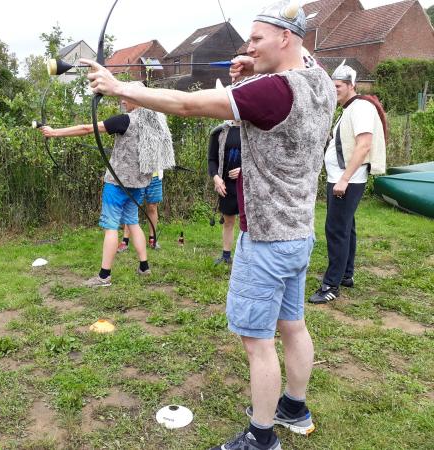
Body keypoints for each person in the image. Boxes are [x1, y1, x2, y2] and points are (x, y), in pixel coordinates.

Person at [81, 1, 336, 448]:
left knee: (257, 341)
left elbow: (185, 103)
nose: (249, 46)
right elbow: (295, 68)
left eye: (256, 39)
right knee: (292, 325)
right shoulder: (321, 81)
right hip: (299, 232)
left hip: (266, 238)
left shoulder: (273, 92)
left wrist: (122, 85)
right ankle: (294, 407)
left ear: (285, 38)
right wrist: (253, 64)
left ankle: (261, 438)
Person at [39, 88, 174, 288]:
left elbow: (88, 128)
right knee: (133, 222)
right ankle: (144, 267)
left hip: (117, 184)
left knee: (111, 226)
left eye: (126, 97)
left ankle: (104, 276)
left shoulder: (125, 120)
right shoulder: (154, 121)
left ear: (136, 98)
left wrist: (54, 132)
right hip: (138, 184)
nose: (122, 100)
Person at [309, 62, 387, 304]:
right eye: (332, 86)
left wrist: (343, 179)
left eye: (339, 86)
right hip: (341, 179)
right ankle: (346, 275)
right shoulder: (350, 108)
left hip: (347, 180)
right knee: (346, 228)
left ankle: (331, 285)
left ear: (352, 85)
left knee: (336, 230)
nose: (335, 90)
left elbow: (364, 145)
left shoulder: (361, 107)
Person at [208, 120, 242, 265]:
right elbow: (212, 160)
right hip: (226, 184)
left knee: (250, 223)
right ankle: (226, 256)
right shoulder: (219, 131)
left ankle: (248, 258)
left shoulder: (254, 129)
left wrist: (244, 171)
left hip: (249, 185)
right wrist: (216, 178)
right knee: (228, 221)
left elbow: (262, 159)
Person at [117, 171, 163, 252]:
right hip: (137, 175)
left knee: (152, 206)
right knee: (132, 206)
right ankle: (125, 241)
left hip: (155, 176)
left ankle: (152, 239)